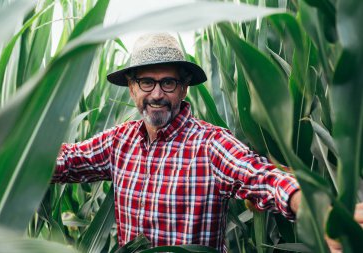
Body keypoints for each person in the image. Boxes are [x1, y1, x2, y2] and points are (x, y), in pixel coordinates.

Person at [52, 33, 358, 252]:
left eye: (168, 82)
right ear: (132, 89)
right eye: (146, 82)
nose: (157, 94)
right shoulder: (119, 142)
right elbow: (61, 162)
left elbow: (263, 177)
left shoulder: (210, 144)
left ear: (184, 89)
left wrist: (317, 212)